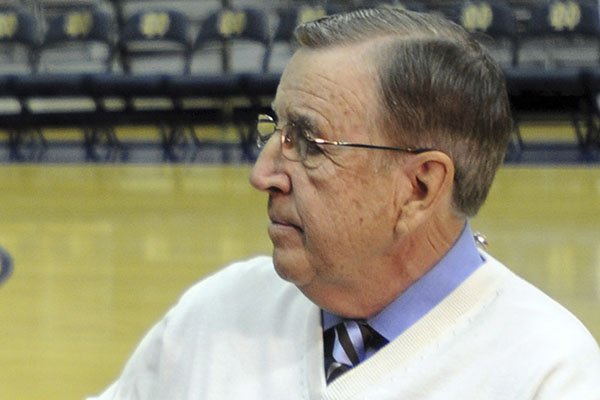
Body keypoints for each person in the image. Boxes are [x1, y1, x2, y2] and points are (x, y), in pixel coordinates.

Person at [88, 8, 600, 399]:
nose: (262, 174)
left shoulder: (549, 373)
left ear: (420, 188)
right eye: (276, 130)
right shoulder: (216, 310)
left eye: (309, 143)